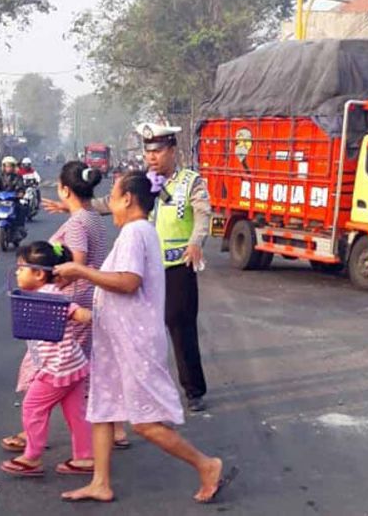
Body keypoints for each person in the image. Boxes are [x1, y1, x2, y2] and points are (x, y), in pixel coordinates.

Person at [55, 172, 236, 504]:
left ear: (128, 199)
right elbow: (116, 279)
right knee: (103, 409)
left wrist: (80, 272)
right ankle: (100, 482)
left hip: (134, 341)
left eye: (113, 195)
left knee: (144, 421)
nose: (110, 202)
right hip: (115, 338)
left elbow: (127, 282)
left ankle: (207, 465)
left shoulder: (136, 233)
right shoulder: (132, 233)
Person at [44, 123, 212, 412]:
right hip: (142, 269)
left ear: (172, 150)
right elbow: (111, 203)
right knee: (140, 330)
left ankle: (193, 390)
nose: (152, 158)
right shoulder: (141, 182)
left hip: (176, 267)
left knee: (180, 328)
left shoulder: (190, 181)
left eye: (158, 151)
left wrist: (196, 241)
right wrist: (75, 207)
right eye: (148, 153)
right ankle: (144, 387)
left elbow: (203, 215)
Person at [1, 161, 118, 453]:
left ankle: (33, 433)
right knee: (76, 371)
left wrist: (49, 287)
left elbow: (76, 263)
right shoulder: (91, 216)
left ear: (65, 188)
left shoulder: (78, 224)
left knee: (46, 366)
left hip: (69, 301)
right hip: (85, 297)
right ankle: (108, 430)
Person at [0, 242, 95, 478]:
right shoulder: (44, 294)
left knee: (33, 407)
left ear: (39, 274)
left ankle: (32, 457)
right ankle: (84, 457)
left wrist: (98, 315)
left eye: (21, 268)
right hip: (75, 365)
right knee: (76, 413)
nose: (17, 272)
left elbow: (77, 313)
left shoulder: (49, 296)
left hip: (58, 369)